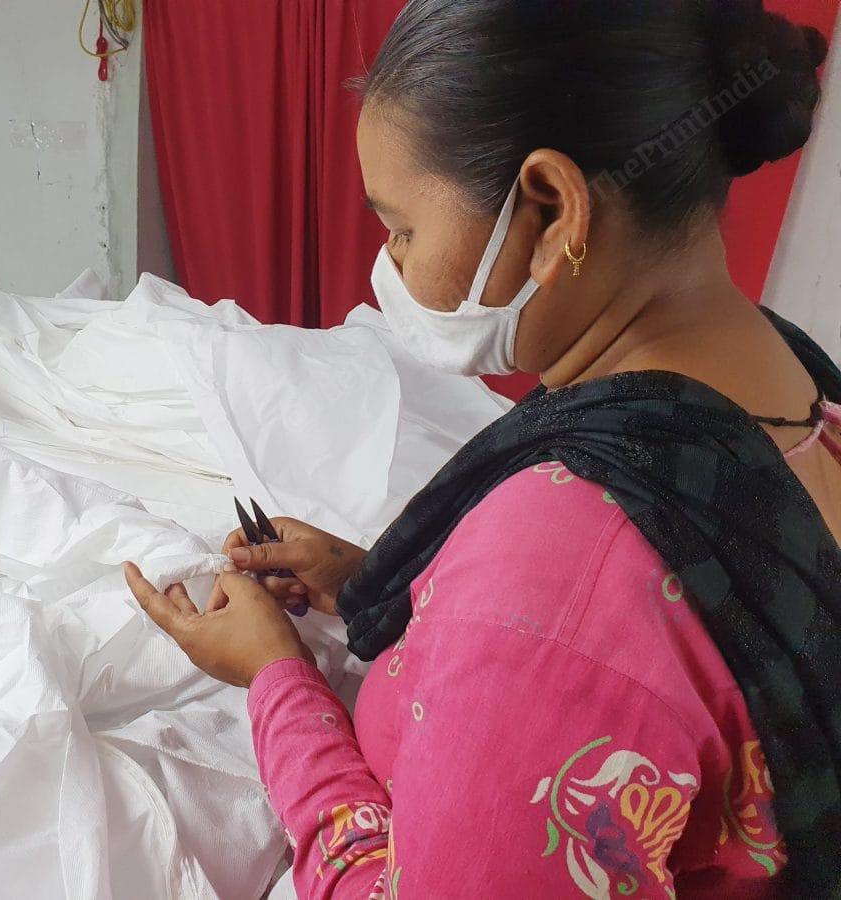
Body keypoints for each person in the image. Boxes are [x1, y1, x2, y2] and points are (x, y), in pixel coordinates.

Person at [124, 1, 840, 896]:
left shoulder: (560, 568)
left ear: (549, 209)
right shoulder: (796, 378)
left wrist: (274, 676)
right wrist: (369, 582)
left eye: (403, 229)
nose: (385, 266)